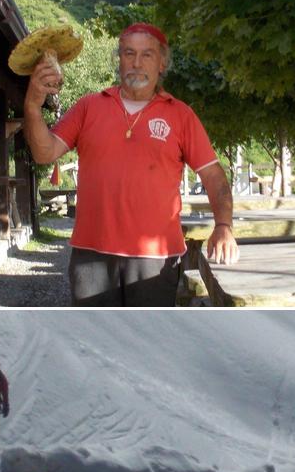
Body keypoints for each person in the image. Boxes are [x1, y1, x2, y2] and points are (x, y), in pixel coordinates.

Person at [23, 22, 239, 306]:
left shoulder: (181, 115)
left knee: (144, 341)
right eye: (128, 53)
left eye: (147, 55)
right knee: (91, 341)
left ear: (162, 63)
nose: (136, 63)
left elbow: (212, 175)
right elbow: (44, 153)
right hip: (91, 255)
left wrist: (223, 225)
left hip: (155, 257)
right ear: (119, 60)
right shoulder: (89, 106)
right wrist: (32, 105)